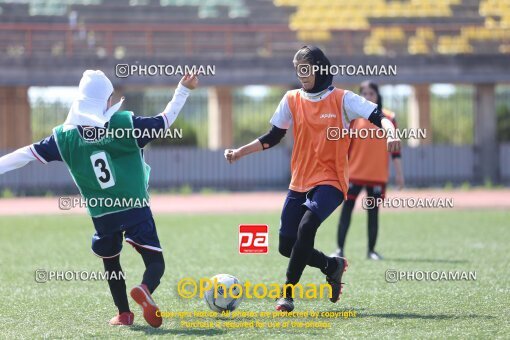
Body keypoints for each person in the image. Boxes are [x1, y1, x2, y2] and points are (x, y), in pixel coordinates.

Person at [0, 70, 198, 327]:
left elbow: (25, 154)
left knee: (111, 260)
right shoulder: (125, 125)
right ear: (105, 100)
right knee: (155, 261)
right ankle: (146, 288)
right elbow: (165, 119)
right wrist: (183, 89)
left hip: (102, 214)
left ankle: (124, 314)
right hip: (134, 206)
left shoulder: (65, 138)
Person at [224, 46, 400, 312]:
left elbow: (378, 116)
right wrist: (240, 152)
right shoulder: (291, 98)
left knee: (307, 228)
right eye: (297, 69)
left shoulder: (343, 99)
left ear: (319, 67)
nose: (301, 74)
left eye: (305, 68)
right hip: (300, 181)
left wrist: (390, 132)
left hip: (332, 181)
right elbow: (273, 136)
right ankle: (332, 266)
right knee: (287, 245)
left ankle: (286, 293)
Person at [333, 81, 405, 261]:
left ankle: (371, 251)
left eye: (371, 93)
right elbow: (344, 147)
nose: (367, 97)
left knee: (373, 214)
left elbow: (395, 150)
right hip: (353, 175)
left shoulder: (388, 117)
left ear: (377, 96)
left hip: (377, 176)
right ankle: (340, 249)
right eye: (363, 94)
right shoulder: (353, 118)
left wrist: (399, 175)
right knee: (346, 211)